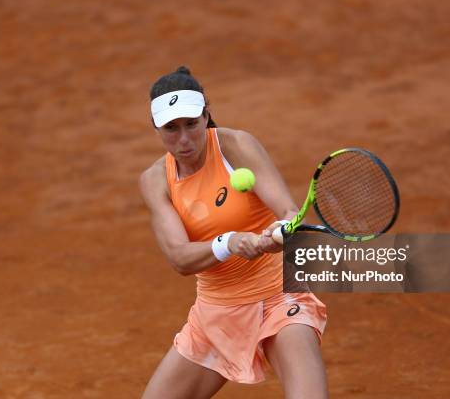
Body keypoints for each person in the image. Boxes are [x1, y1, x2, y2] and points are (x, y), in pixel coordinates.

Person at [139, 66, 328, 399]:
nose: (184, 139)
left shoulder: (236, 145)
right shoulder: (155, 180)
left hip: (279, 296)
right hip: (216, 313)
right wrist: (229, 243)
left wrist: (280, 231)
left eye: (191, 125)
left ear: (206, 116)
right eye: (171, 128)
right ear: (156, 129)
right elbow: (179, 258)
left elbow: (287, 212)